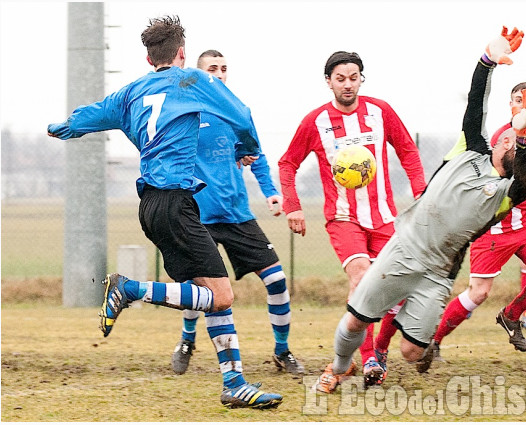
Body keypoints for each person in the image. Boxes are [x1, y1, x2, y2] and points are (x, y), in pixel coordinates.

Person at [47, 16, 282, 409]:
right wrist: (246, 147)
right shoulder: (191, 80)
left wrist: (61, 127)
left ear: (147, 56)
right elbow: (241, 116)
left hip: (152, 206)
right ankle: (130, 288)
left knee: (207, 295)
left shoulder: (130, 92)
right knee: (221, 295)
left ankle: (234, 383)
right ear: (181, 53)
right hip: (176, 203)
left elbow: (88, 116)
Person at [312, 26, 526, 394]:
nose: (508, 135)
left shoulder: (507, 192)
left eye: (515, 138)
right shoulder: (471, 148)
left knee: (412, 352)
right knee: (356, 321)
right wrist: (487, 61)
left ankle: (400, 320)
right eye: (510, 133)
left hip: (439, 272)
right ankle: (338, 367)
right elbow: (476, 102)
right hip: (403, 248)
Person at [278, 50, 427, 388]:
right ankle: (366, 358)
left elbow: (407, 150)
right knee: (362, 280)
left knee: (395, 288)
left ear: (362, 78)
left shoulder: (381, 111)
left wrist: (421, 191)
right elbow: (288, 163)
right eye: (340, 78)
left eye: (353, 77)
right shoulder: (316, 122)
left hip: (386, 217)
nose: (348, 84)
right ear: (328, 82)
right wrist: (293, 206)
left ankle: (378, 351)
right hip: (343, 217)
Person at [171, 49, 304, 378]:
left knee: (276, 281)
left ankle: (282, 350)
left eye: (224, 68)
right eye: (212, 68)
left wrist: (272, 193)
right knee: (201, 290)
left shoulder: (236, 113)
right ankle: (187, 340)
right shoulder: (185, 113)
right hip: (198, 216)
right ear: (199, 74)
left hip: (237, 214)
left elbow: (255, 155)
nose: (219, 73)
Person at [431, 83, 526, 356]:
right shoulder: (502, 138)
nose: (523, 104)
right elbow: (502, 189)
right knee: (479, 293)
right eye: (517, 100)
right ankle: (434, 341)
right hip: (494, 225)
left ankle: (511, 315)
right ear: (510, 106)